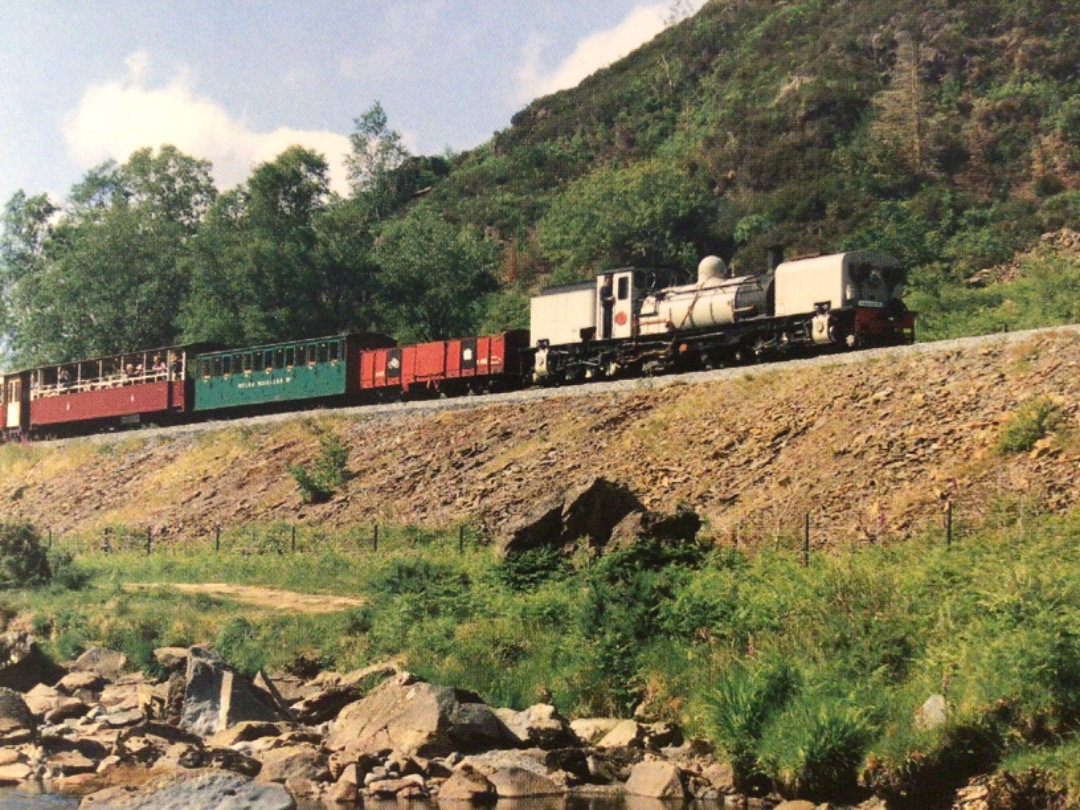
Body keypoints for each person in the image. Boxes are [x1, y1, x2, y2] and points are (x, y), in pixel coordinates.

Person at [599, 274, 615, 339]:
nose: (609, 281)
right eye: (608, 280)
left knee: (610, 320)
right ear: (605, 280)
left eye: (610, 280)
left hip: (611, 306)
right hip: (606, 306)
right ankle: (606, 335)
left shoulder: (611, 288)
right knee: (607, 320)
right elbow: (602, 298)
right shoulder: (603, 288)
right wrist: (609, 299)